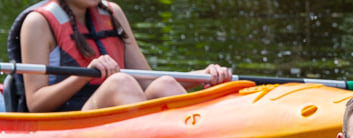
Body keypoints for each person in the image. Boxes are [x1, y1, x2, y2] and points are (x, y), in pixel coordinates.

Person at [10, 0, 232, 112]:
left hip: (119, 112)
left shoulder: (112, 13)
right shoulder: (38, 23)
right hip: (69, 121)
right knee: (119, 82)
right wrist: (84, 75)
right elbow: (36, 103)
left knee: (164, 84)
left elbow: (147, 81)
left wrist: (203, 76)